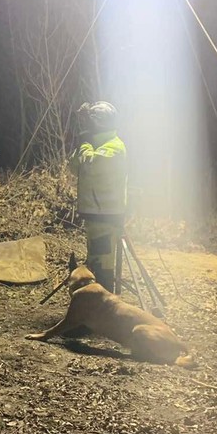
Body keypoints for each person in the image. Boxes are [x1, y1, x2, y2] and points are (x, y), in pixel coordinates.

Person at [71, 101, 127, 292]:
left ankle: (105, 301)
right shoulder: (96, 146)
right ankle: (98, 300)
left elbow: (90, 165)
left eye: (90, 122)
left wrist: (85, 145)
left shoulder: (114, 147)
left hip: (105, 216)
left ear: (99, 122)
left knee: (102, 266)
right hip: (95, 214)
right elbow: (74, 167)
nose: (87, 126)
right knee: (95, 261)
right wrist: (84, 146)